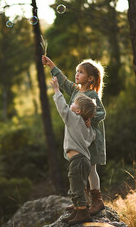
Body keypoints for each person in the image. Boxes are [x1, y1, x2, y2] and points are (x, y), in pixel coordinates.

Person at [42, 55, 106, 215]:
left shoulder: (92, 95)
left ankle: (97, 201)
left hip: (90, 138)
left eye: (81, 72)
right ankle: (81, 202)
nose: (77, 74)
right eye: (77, 71)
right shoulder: (76, 91)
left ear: (90, 78)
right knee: (80, 170)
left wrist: (90, 117)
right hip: (79, 138)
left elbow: (102, 112)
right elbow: (63, 81)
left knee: (91, 169)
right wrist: (51, 65)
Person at [50, 76, 97, 225]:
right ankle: (78, 210)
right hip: (84, 160)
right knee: (78, 185)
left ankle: (83, 213)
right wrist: (89, 126)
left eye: (74, 104)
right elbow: (91, 137)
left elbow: (62, 107)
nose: (70, 105)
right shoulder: (85, 124)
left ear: (77, 110)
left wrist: (57, 90)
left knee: (76, 187)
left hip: (77, 161)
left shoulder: (73, 118)